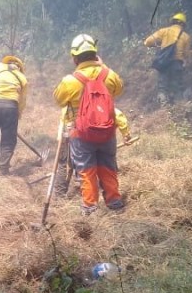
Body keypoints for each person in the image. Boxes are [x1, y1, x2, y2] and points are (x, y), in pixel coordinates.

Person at [52, 33, 134, 216]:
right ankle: (115, 203)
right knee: (108, 166)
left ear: (74, 58)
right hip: (107, 131)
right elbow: (119, 90)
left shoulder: (69, 81)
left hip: (81, 133)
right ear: (96, 54)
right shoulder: (109, 75)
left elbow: (58, 100)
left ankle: (90, 208)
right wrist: (103, 67)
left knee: (86, 169)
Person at [144, 13, 192, 104]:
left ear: (173, 22)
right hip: (177, 64)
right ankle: (179, 107)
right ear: (182, 24)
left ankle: (164, 108)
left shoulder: (164, 31)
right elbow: (186, 55)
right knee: (177, 88)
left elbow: (147, 42)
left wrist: (158, 45)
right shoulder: (186, 36)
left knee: (163, 88)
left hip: (164, 63)